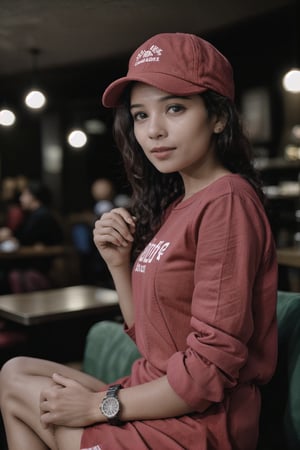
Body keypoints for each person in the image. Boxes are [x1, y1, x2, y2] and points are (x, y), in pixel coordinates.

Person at [0, 32, 277, 450]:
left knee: (21, 394)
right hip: (158, 393)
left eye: (175, 108)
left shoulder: (228, 200)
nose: (154, 131)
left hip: (198, 425)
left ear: (218, 117)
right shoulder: (178, 206)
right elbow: (152, 340)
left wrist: (100, 406)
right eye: (141, 115)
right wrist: (117, 262)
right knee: (14, 371)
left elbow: (208, 373)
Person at [0, 180, 65, 292]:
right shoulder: (35, 215)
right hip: (31, 263)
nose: (21, 198)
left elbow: (25, 239)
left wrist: (11, 238)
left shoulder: (42, 216)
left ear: (34, 196)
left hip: (38, 265)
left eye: (25, 195)